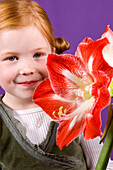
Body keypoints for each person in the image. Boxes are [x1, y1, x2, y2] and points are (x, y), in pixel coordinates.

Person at [0, 0, 112, 170]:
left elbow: (100, 163)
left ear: (53, 53)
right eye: (12, 58)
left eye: (38, 54)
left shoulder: (78, 109)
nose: (28, 69)